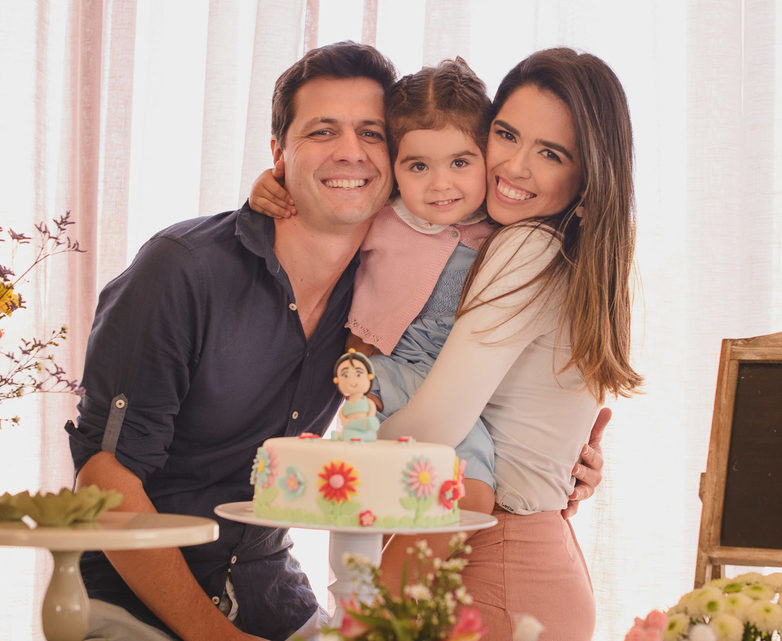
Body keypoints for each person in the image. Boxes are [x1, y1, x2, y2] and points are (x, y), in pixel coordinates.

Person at [251, 47, 640, 640]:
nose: (515, 167)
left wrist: (332, 463)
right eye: (506, 135)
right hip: (518, 557)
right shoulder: (552, 246)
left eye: (551, 153)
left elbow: (436, 427)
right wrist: (277, 184)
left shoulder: (523, 247)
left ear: (588, 173)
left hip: (491, 566)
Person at [65, 41, 397, 641]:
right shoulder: (183, 270)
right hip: (137, 610)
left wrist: (560, 461)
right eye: (322, 131)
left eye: (371, 133)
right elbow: (104, 478)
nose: (351, 151)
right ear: (279, 154)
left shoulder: (385, 294)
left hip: (275, 600)